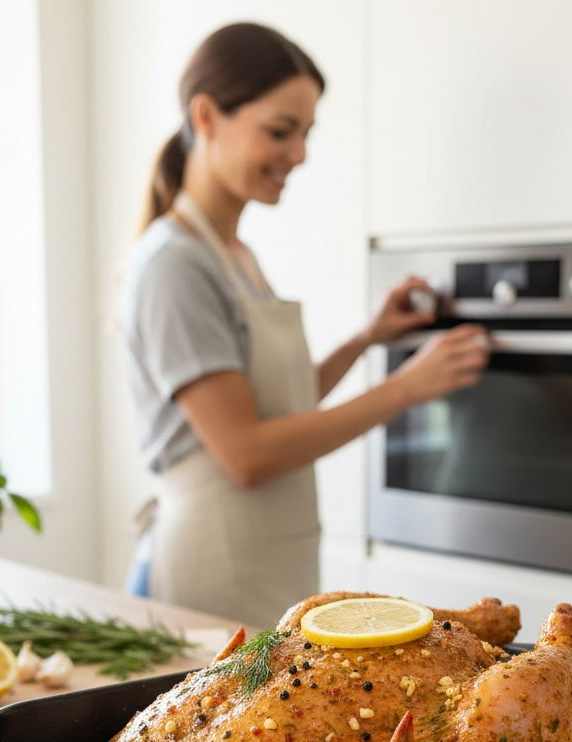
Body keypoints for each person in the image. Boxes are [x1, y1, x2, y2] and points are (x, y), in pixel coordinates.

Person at [121, 22, 488, 626]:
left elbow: (280, 407)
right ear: (207, 117)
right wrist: (406, 388)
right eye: (280, 131)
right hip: (211, 573)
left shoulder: (235, 255)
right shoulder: (174, 264)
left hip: (264, 560)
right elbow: (246, 454)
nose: (298, 155)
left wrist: (367, 339)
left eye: (305, 134)